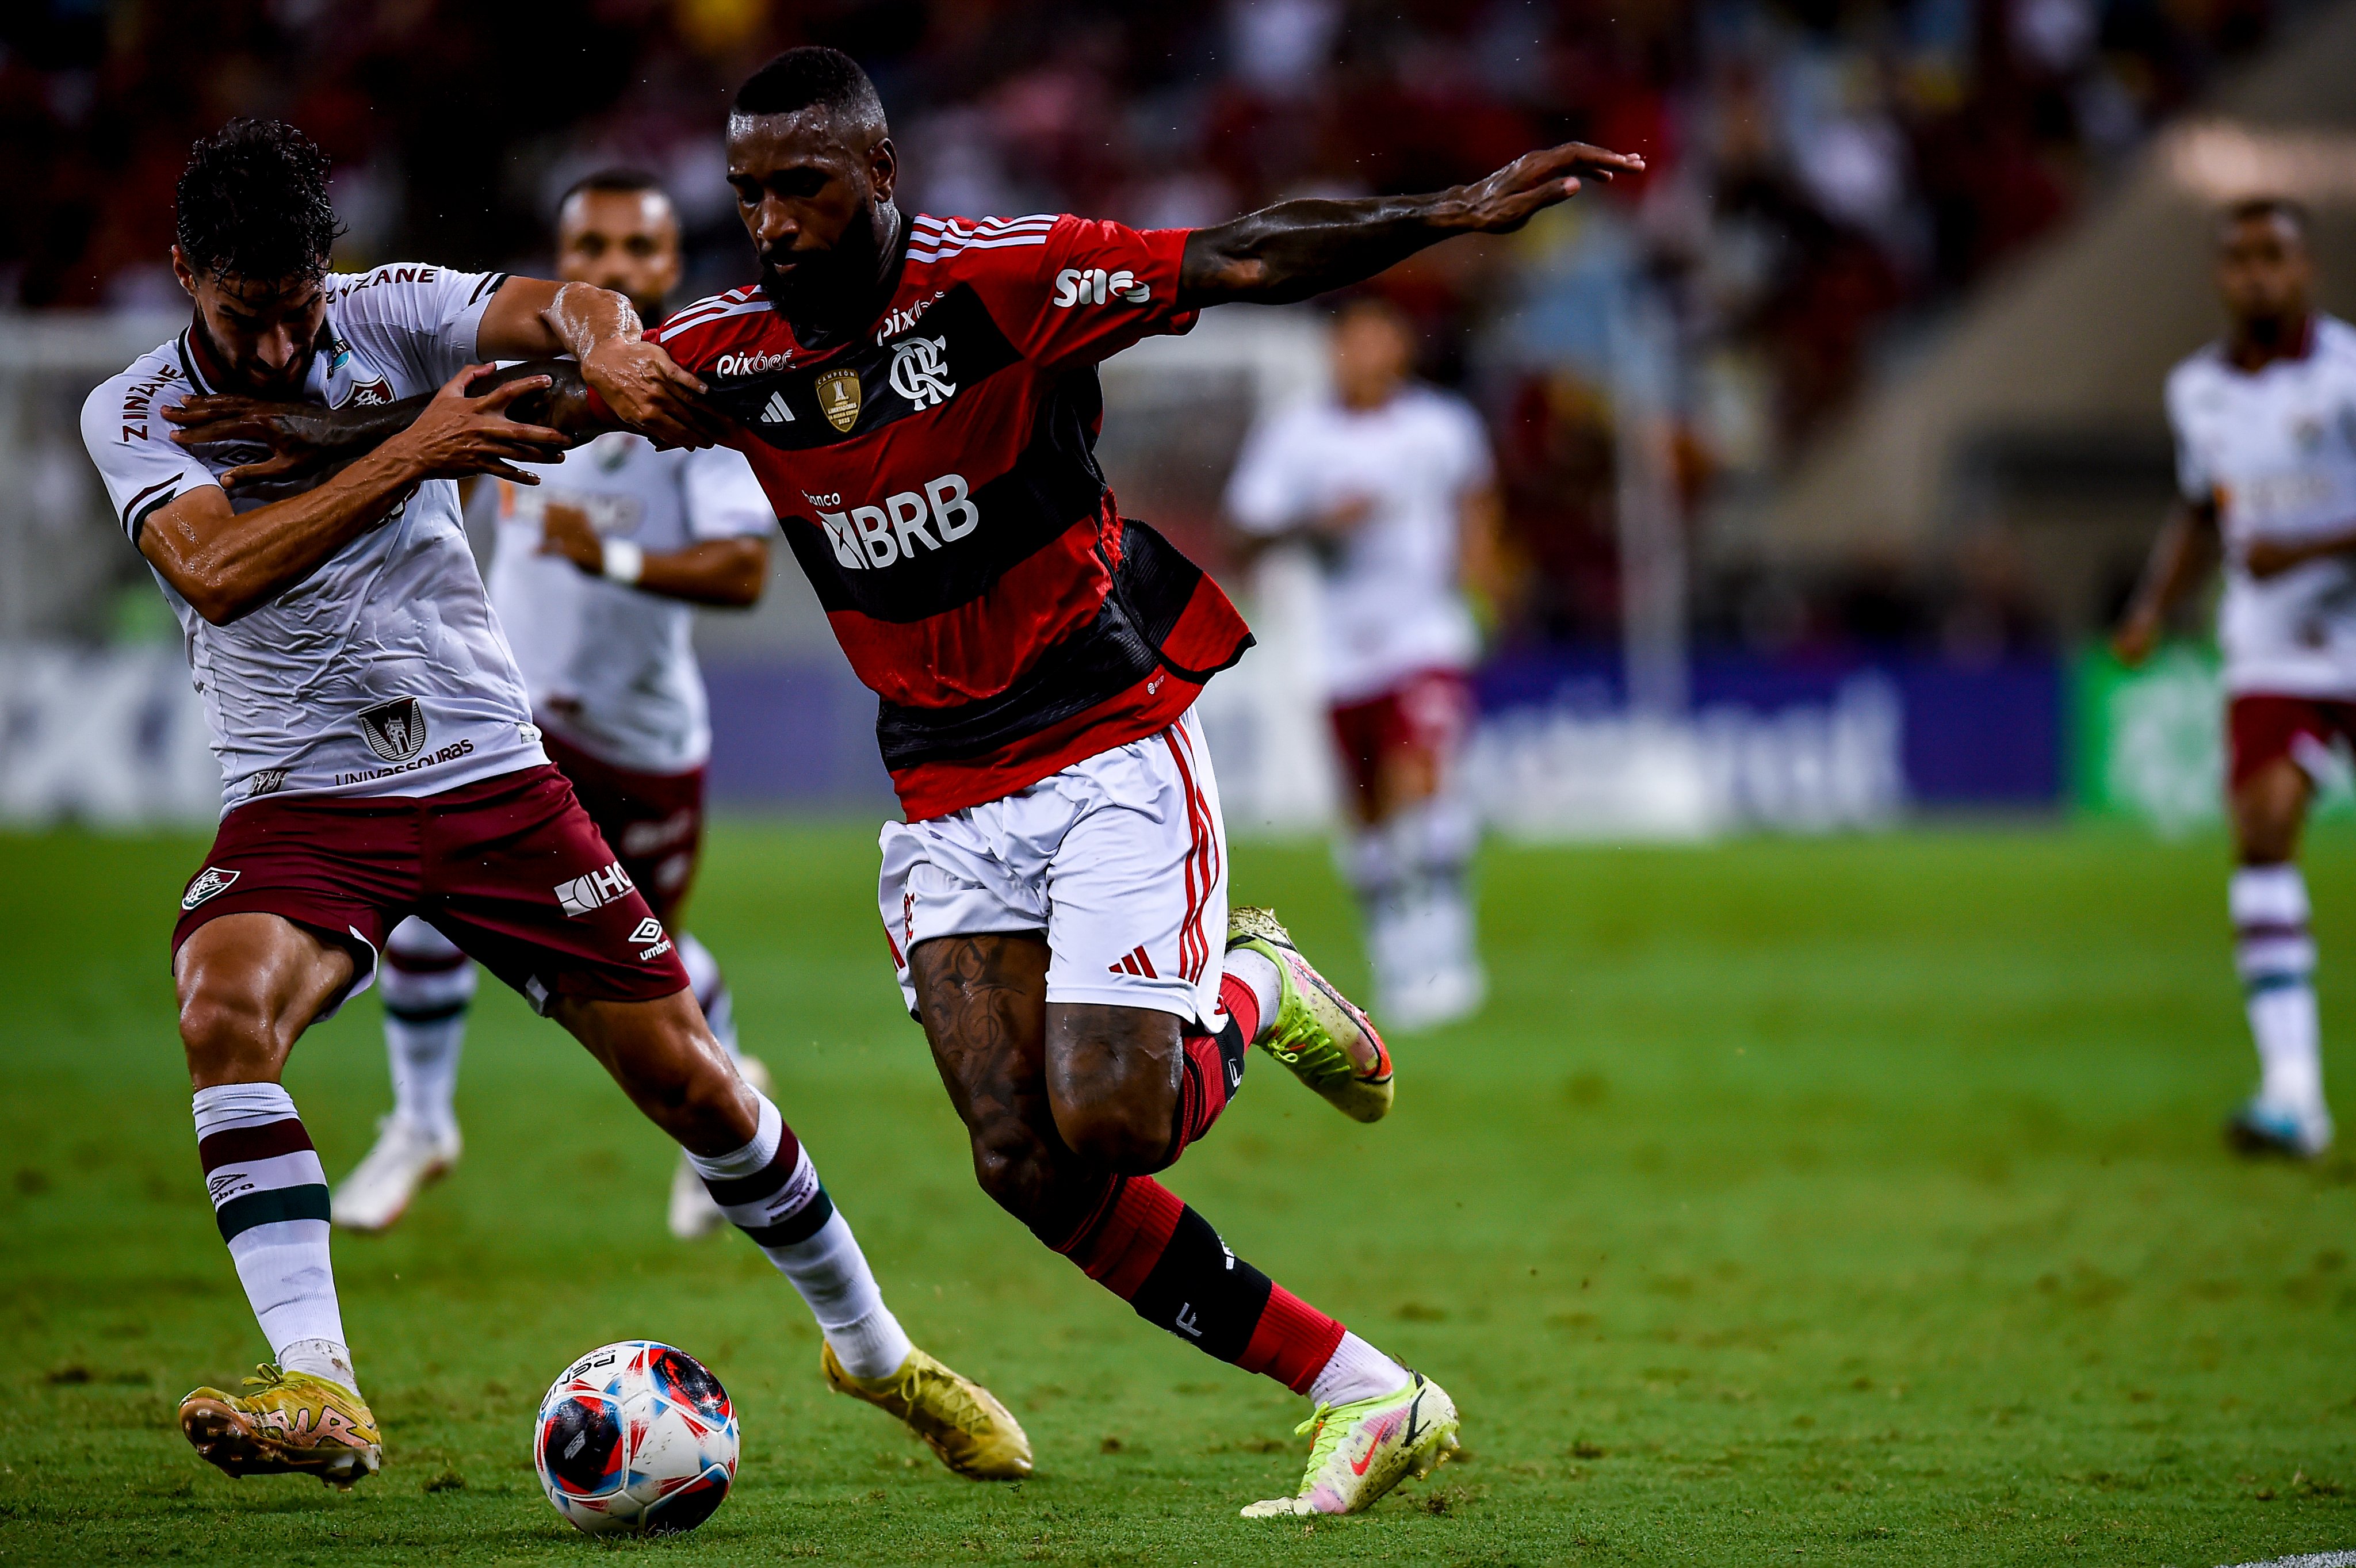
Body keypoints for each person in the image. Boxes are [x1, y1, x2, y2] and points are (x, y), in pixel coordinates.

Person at [195, 50, 1641, 1517]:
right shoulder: (731, 351)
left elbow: (1244, 252)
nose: (771, 220)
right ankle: (1364, 1389)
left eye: (803, 185)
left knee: (1118, 1120)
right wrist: (314, 438)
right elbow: (525, 412)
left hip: (1106, 742)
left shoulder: (1004, 281)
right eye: (749, 192)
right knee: (1020, 1160)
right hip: (947, 793)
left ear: (880, 172)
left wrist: (1450, 208)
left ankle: (1253, 987)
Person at [85, 119, 1027, 1490]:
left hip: (487, 770)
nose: (281, 344)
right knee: (222, 1008)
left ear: (324, 272)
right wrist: (420, 446)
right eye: (248, 316)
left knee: (692, 1082)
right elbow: (218, 571)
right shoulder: (131, 410)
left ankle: (877, 1352)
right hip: (304, 791)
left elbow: (564, 304)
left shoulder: (387, 310)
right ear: (184, 273)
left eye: (297, 308)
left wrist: (609, 343)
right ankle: (321, 1382)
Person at [332, 171, 783, 1242]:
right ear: (562, 261)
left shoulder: (695, 392)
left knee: (647, 956)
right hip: (511, 716)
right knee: (427, 899)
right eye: (593, 247)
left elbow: (741, 572)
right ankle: (420, 1121)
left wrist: (610, 554)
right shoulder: (508, 382)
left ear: (670, 266)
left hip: (642, 735)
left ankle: (725, 1104)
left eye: (639, 248)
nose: (615, 266)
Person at [2113, 196, 2356, 1159]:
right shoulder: (2196, 392)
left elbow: (2275, 535)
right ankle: (2293, 1092)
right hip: (2270, 644)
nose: (2257, 275)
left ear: (2306, 270)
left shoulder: (2347, 374)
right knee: (2262, 828)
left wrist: (2304, 548)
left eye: (2273, 256)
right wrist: (2152, 607)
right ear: (2221, 277)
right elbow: (2201, 509)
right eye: (2240, 259)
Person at [1226, 296, 1502, 1029]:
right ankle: (1397, 957)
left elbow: (1476, 503)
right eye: (1350, 342)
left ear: (1401, 349)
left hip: (1425, 634)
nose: (1362, 356)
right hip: (1340, 651)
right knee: (1369, 820)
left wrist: (1479, 581)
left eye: (1377, 340)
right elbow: (1244, 533)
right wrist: (1316, 523)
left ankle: (1447, 954)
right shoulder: (1296, 435)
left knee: (1420, 778)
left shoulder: (1441, 427)